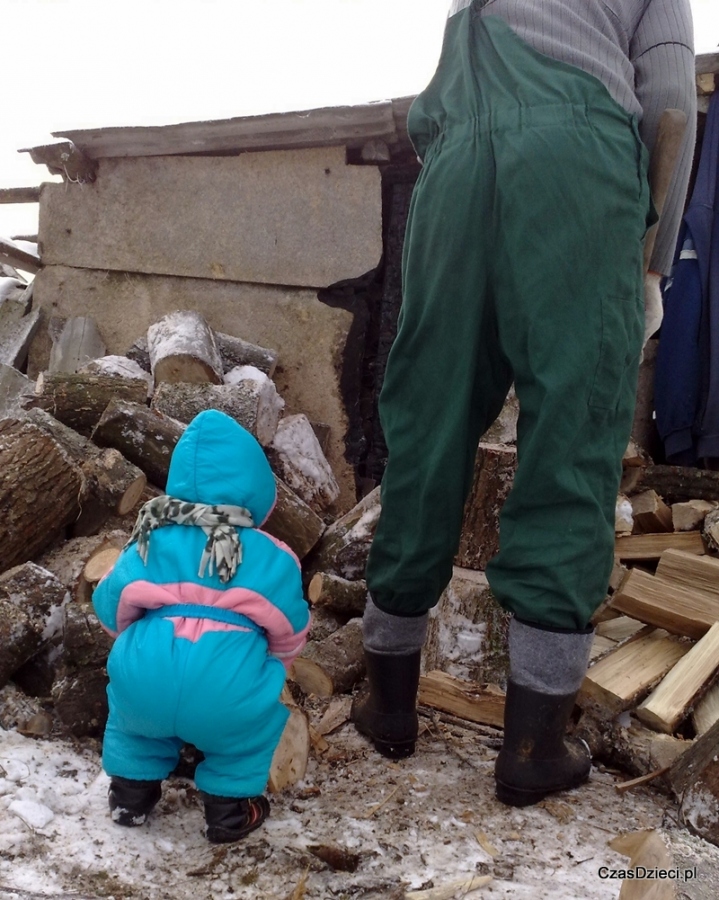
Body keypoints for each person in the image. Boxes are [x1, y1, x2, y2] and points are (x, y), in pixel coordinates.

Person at [351, 0, 696, 807]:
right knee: (570, 433)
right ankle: (534, 742)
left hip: (455, 167)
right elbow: (671, 100)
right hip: (578, 164)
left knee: (427, 420)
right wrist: (651, 265)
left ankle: (388, 702)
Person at [92, 409, 310, 842]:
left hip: (148, 669)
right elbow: (289, 626)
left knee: (133, 726)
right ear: (257, 488)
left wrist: (133, 641)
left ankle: (129, 794)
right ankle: (230, 809)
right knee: (243, 737)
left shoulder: (151, 537)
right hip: (226, 682)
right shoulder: (269, 553)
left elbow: (109, 603)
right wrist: (276, 663)